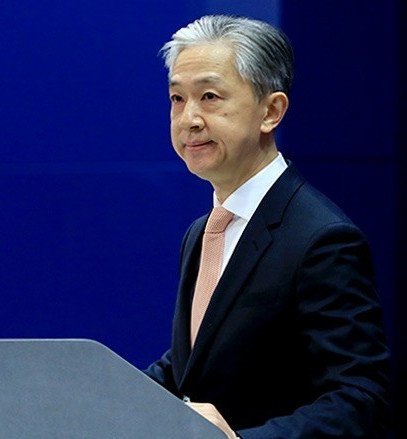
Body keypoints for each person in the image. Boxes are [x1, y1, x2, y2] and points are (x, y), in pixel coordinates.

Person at [144, 15, 390, 438]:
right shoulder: (203, 232)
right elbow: (196, 366)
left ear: (271, 111)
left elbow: (361, 400)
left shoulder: (323, 240)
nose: (189, 119)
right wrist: (99, 395)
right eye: (177, 99)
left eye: (209, 96)